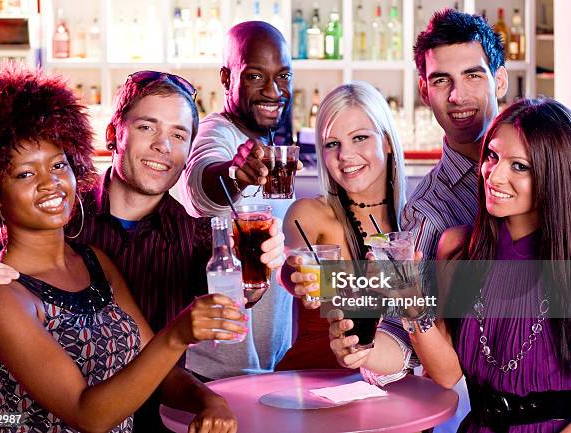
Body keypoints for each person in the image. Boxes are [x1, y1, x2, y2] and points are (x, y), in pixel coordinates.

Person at [0, 68, 285, 432]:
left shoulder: (106, 257)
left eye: (178, 134)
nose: (163, 145)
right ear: (114, 134)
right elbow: (84, 413)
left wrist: (263, 269)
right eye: (148, 127)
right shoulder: (25, 245)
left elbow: (239, 294)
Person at [328, 9, 509, 432]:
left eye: (473, 75)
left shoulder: (554, 151)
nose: (458, 96)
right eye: (442, 80)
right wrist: (362, 351)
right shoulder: (425, 211)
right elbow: (401, 327)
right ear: (424, 91)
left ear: (499, 79)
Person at [412, 98, 571, 432]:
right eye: (492, 156)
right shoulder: (456, 249)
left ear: (554, 174)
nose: (494, 176)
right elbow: (446, 372)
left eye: (519, 166)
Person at [275, 81, 419, 377]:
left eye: (360, 138)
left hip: (390, 398)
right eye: (332, 144)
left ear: (388, 142)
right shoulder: (310, 214)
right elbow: (291, 265)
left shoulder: (414, 225)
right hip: (313, 390)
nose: (345, 155)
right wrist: (299, 275)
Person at [177, 21, 295, 380]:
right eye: (256, 77)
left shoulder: (271, 146)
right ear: (227, 79)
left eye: (284, 76)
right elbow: (201, 185)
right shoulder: (217, 134)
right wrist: (233, 173)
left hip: (263, 366)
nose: (274, 91)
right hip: (215, 372)